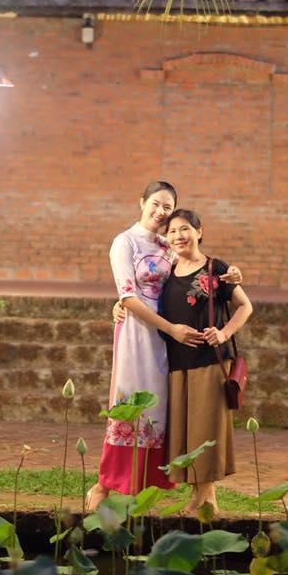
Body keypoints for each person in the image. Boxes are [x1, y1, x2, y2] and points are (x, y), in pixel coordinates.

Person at [86, 181, 241, 511]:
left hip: (170, 343)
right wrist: (123, 305)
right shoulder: (124, 242)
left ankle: (175, 489)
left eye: (167, 207)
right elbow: (128, 294)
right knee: (128, 407)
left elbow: (195, 271)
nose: (160, 211)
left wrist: (232, 273)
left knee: (161, 414)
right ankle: (104, 484)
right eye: (155, 203)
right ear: (141, 202)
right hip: (139, 336)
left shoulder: (168, 244)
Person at [161, 208, 253, 514]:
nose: (178, 236)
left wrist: (224, 333)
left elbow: (245, 306)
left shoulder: (217, 268)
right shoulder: (166, 270)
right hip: (177, 364)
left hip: (209, 363)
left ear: (199, 232)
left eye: (185, 229)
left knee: (206, 431)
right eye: (172, 231)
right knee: (186, 433)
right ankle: (201, 498)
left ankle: (205, 498)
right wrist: (118, 306)